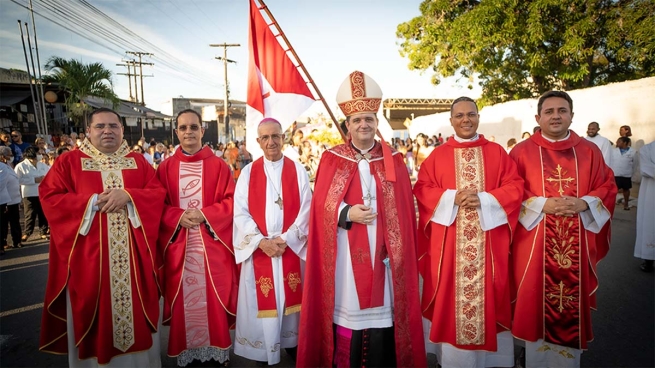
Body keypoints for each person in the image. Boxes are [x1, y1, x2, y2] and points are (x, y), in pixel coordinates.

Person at [297, 71, 426, 367]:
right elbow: (320, 207)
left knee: (386, 311)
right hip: (344, 254)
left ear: (376, 123)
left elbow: (406, 211)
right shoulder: (332, 158)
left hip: (385, 257)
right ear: (348, 125)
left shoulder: (394, 159)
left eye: (368, 118)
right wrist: (345, 212)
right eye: (357, 120)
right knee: (348, 309)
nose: (363, 124)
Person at [39, 108, 165, 366]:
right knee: (90, 310)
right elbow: (50, 198)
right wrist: (92, 202)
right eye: (100, 126)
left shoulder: (138, 161)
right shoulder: (70, 162)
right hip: (89, 261)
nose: (107, 131)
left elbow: (157, 194)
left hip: (132, 263)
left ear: (121, 130)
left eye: (113, 126)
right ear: (88, 131)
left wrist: (129, 196)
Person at [509, 91, 616, 367]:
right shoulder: (521, 152)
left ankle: (566, 361)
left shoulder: (589, 151)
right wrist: (541, 205)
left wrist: (584, 203)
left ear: (571, 115)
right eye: (549, 111)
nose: (556, 115)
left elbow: (608, 186)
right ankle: (531, 358)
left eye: (562, 110)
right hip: (535, 241)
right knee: (534, 300)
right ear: (538, 117)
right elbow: (508, 192)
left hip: (576, 241)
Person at [414, 97, 524, 368]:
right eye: (460, 115)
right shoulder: (438, 155)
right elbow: (423, 188)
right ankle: (452, 359)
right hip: (450, 245)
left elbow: (515, 187)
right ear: (451, 120)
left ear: (478, 117)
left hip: (489, 245)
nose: (466, 120)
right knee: (450, 298)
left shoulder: (498, 152)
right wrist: (452, 197)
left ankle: (491, 361)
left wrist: (485, 199)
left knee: (491, 293)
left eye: (471, 115)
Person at [157, 109, 238, 367]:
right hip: (181, 248)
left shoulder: (219, 165)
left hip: (212, 247)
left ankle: (217, 352)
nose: (188, 132)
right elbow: (156, 205)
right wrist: (177, 217)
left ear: (202, 131)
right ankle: (188, 353)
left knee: (213, 300)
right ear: (176, 132)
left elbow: (232, 201)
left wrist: (205, 214)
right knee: (184, 303)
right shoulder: (166, 167)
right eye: (183, 128)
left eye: (194, 127)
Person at [233, 118, 312, 365]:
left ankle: (291, 343)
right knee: (261, 301)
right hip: (260, 251)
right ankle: (262, 349)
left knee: (292, 306)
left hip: (288, 247)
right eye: (265, 138)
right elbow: (240, 213)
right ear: (258, 142)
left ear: (283, 138)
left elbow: (307, 209)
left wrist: (286, 239)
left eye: (275, 136)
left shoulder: (298, 170)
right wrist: (260, 241)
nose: (271, 142)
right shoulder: (248, 173)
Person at [14, 146, 49, 241]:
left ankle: (43, 231)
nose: (39, 155)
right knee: (30, 214)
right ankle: (27, 232)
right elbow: (17, 180)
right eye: (38, 154)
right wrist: (34, 180)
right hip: (29, 194)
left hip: (42, 193)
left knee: (43, 213)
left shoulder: (42, 165)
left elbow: (50, 175)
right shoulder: (20, 166)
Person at [634, 141, 655, 272]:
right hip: (651, 194)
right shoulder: (647, 149)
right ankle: (649, 259)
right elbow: (646, 169)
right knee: (650, 224)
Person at [0, 147, 22, 250]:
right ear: (3, 156)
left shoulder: (8, 165)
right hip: (6, 200)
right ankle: (3, 243)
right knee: (4, 224)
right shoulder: (2, 167)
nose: (11, 157)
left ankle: (17, 241)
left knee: (15, 222)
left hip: (14, 199)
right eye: (9, 155)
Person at [610, 137, 636, 210]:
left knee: (626, 189)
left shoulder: (633, 152)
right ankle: (612, 203)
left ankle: (626, 204)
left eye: (619, 142)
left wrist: (632, 174)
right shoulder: (613, 151)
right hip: (616, 173)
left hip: (626, 174)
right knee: (614, 189)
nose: (617, 143)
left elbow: (635, 164)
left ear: (625, 143)